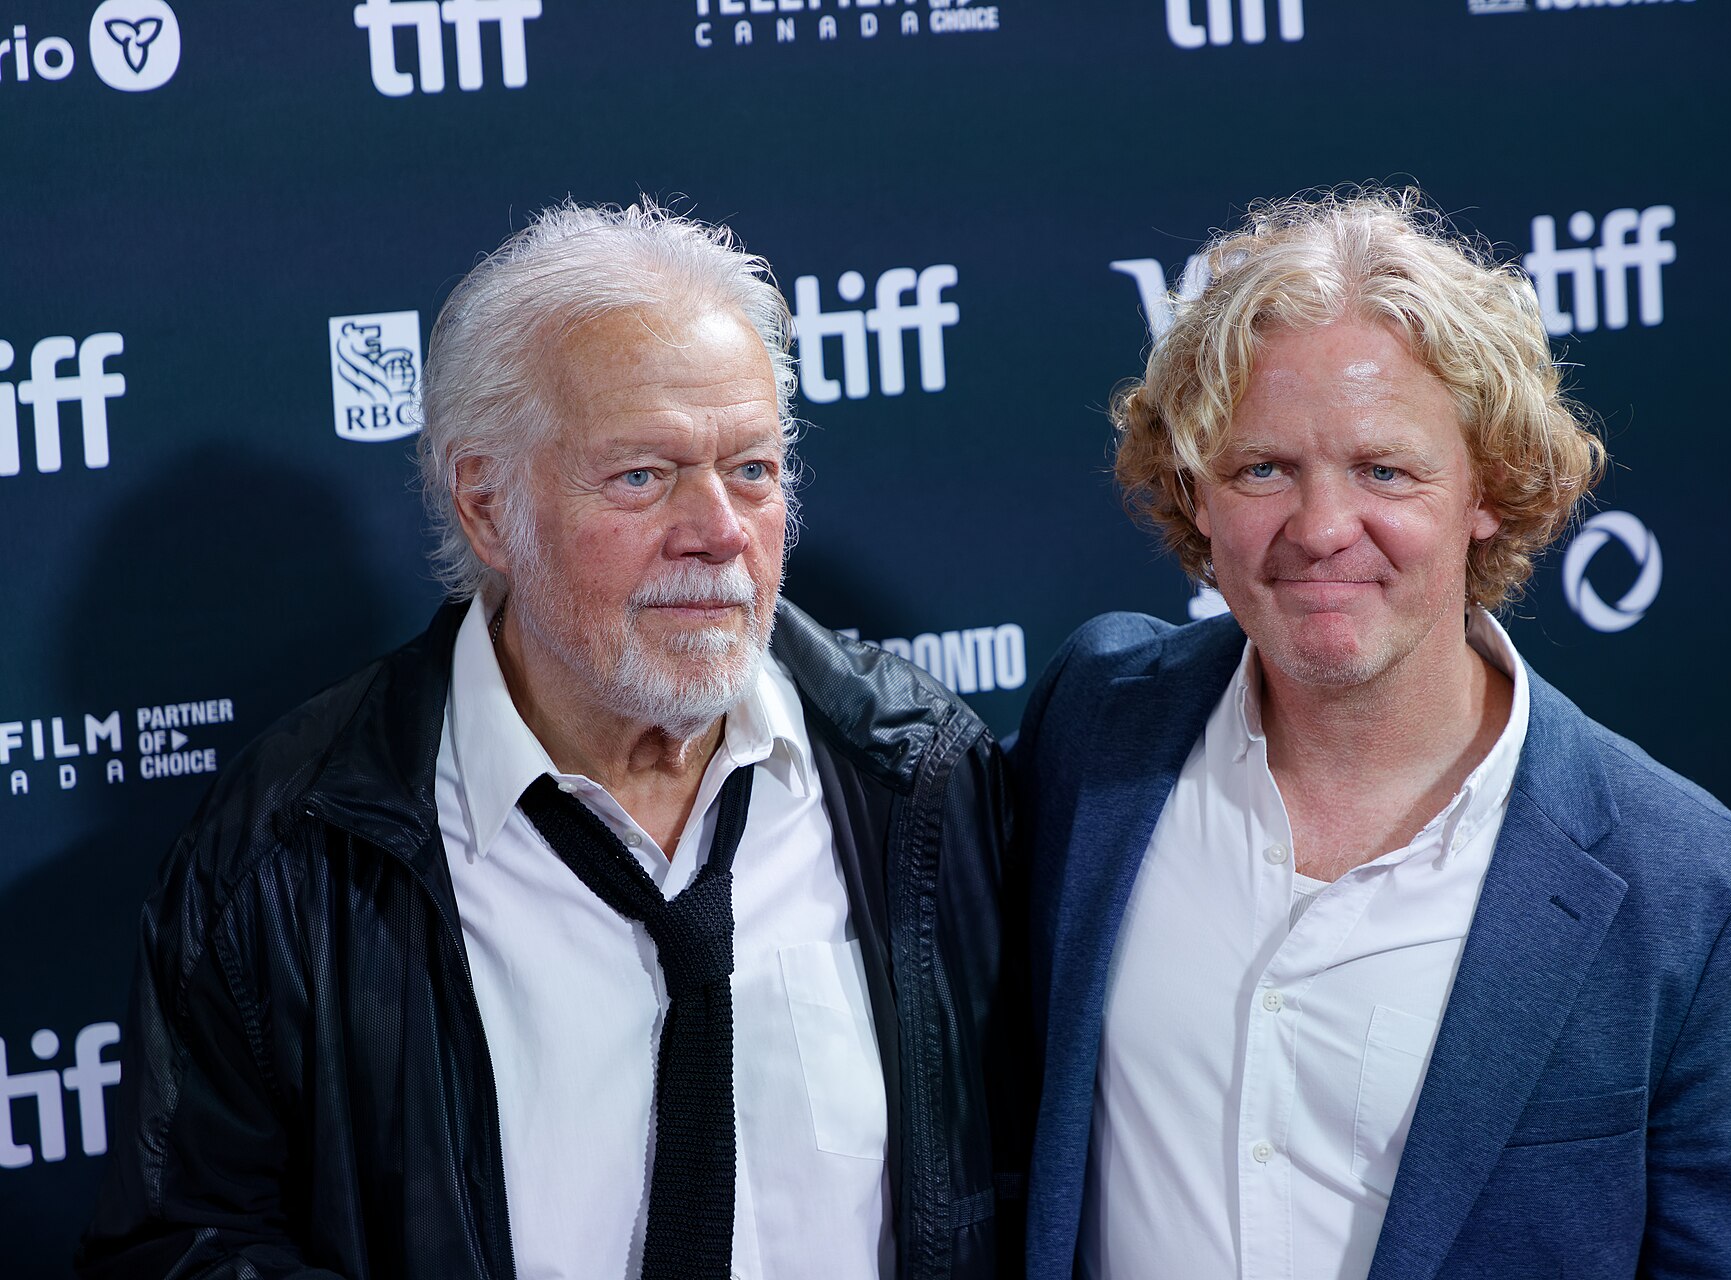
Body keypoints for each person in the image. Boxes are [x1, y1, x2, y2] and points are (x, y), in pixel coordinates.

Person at [79, 201, 1026, 1280]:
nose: (718, 528)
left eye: (752, 469)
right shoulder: (287, 852)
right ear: (485, 506)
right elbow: (181, 1248)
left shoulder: (922, 785)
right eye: (643, 475)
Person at [1015, 189, 1731, 1279]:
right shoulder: (1098, 720)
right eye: (1264, 468)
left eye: (1384, 469)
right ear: (1194, 491)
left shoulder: (1699, 899)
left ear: (1486, 489)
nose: (1319, 527)